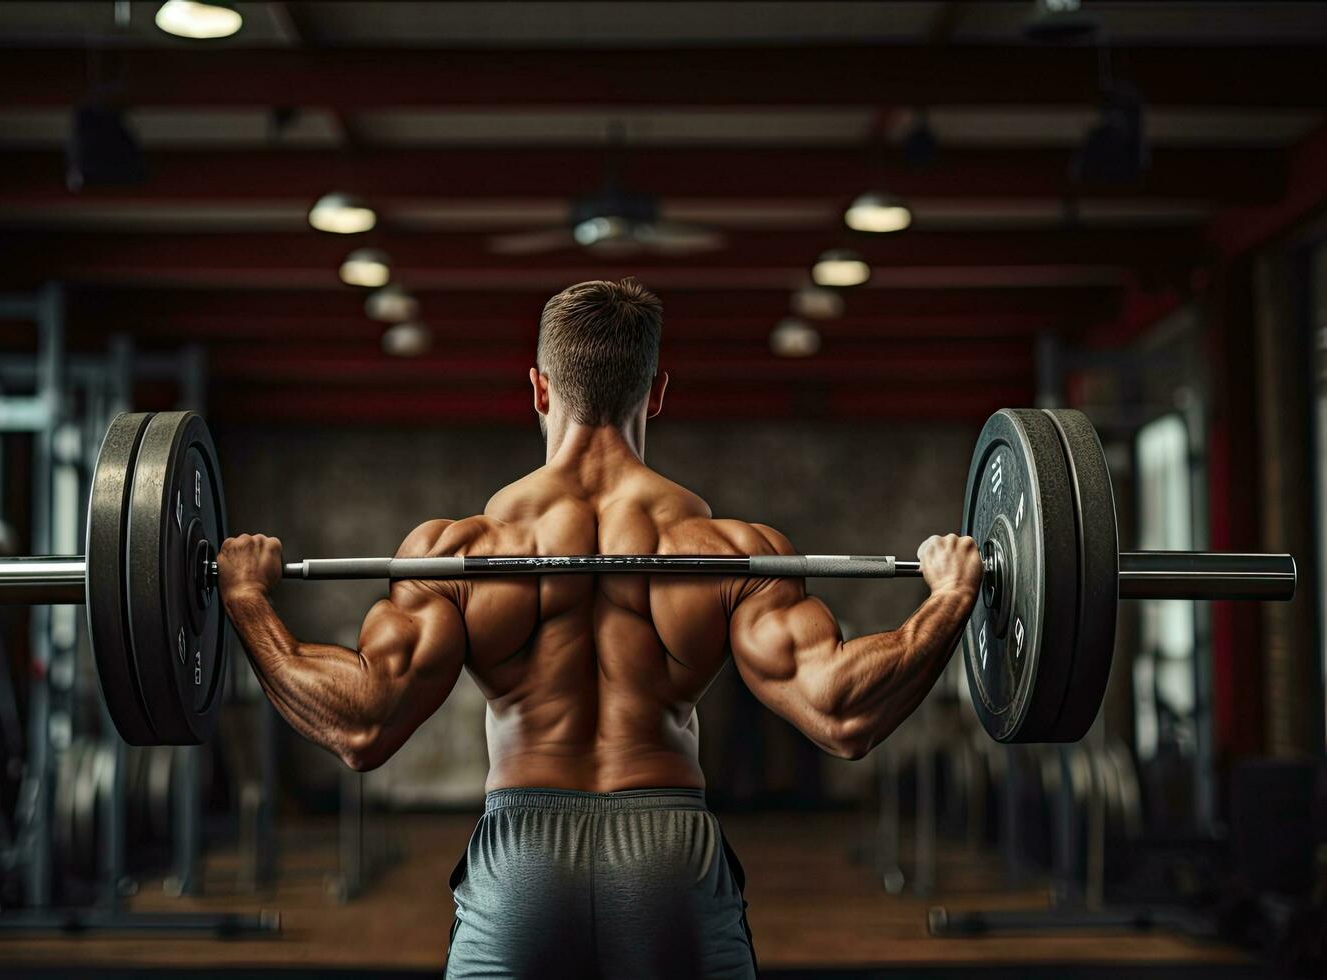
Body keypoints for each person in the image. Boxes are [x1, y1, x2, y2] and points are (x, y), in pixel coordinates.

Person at [217, 278, 981, 979]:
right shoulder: (730, 552)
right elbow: (843, 713)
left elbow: (362, 726)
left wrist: (247, 600)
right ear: (655, 394)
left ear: (539, 389)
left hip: (522, 855)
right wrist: (949, 597)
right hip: (668, 852)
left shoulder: (463, 550)